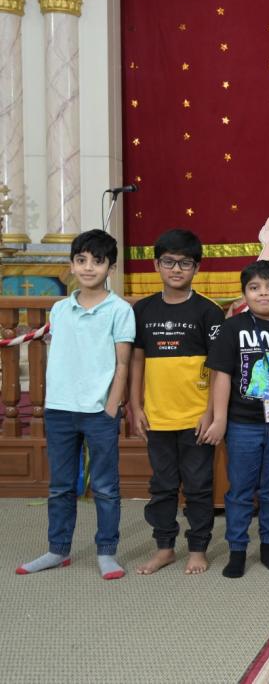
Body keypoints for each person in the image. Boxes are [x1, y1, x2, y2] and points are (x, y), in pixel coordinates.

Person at [17, 230, 134, 580]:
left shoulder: (119, 310)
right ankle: (58, 549)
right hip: (60, 410)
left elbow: (123, 363)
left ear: (110, 268)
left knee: (106, 487)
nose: (88, 267)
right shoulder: (59, 308)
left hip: (99, 412)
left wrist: (111, 407)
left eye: (97, 261)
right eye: (81, 260)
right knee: (60, 486)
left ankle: (107, 551)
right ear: (71, 265)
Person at [201, 261, 269, 578]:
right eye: (255, 288)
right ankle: (237, 550)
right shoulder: (232, 328)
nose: (263, 293)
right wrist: (219, 419)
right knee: (240, 490)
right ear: (244, 293)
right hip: (242, 424)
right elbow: (222, 375)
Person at [129, 229, 225, 576]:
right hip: (157, 417)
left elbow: (218, 368)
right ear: (157, 265)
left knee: (198, 487)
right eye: (169, 262)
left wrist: (211, 413)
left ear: (196, 268)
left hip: (196, 418)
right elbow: (136, 361)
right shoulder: (143, 309)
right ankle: (165, 548)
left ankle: (197, 548)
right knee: (162, 486)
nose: (176, 269)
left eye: (185, 263)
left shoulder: (209, 311)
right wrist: (135, 406)